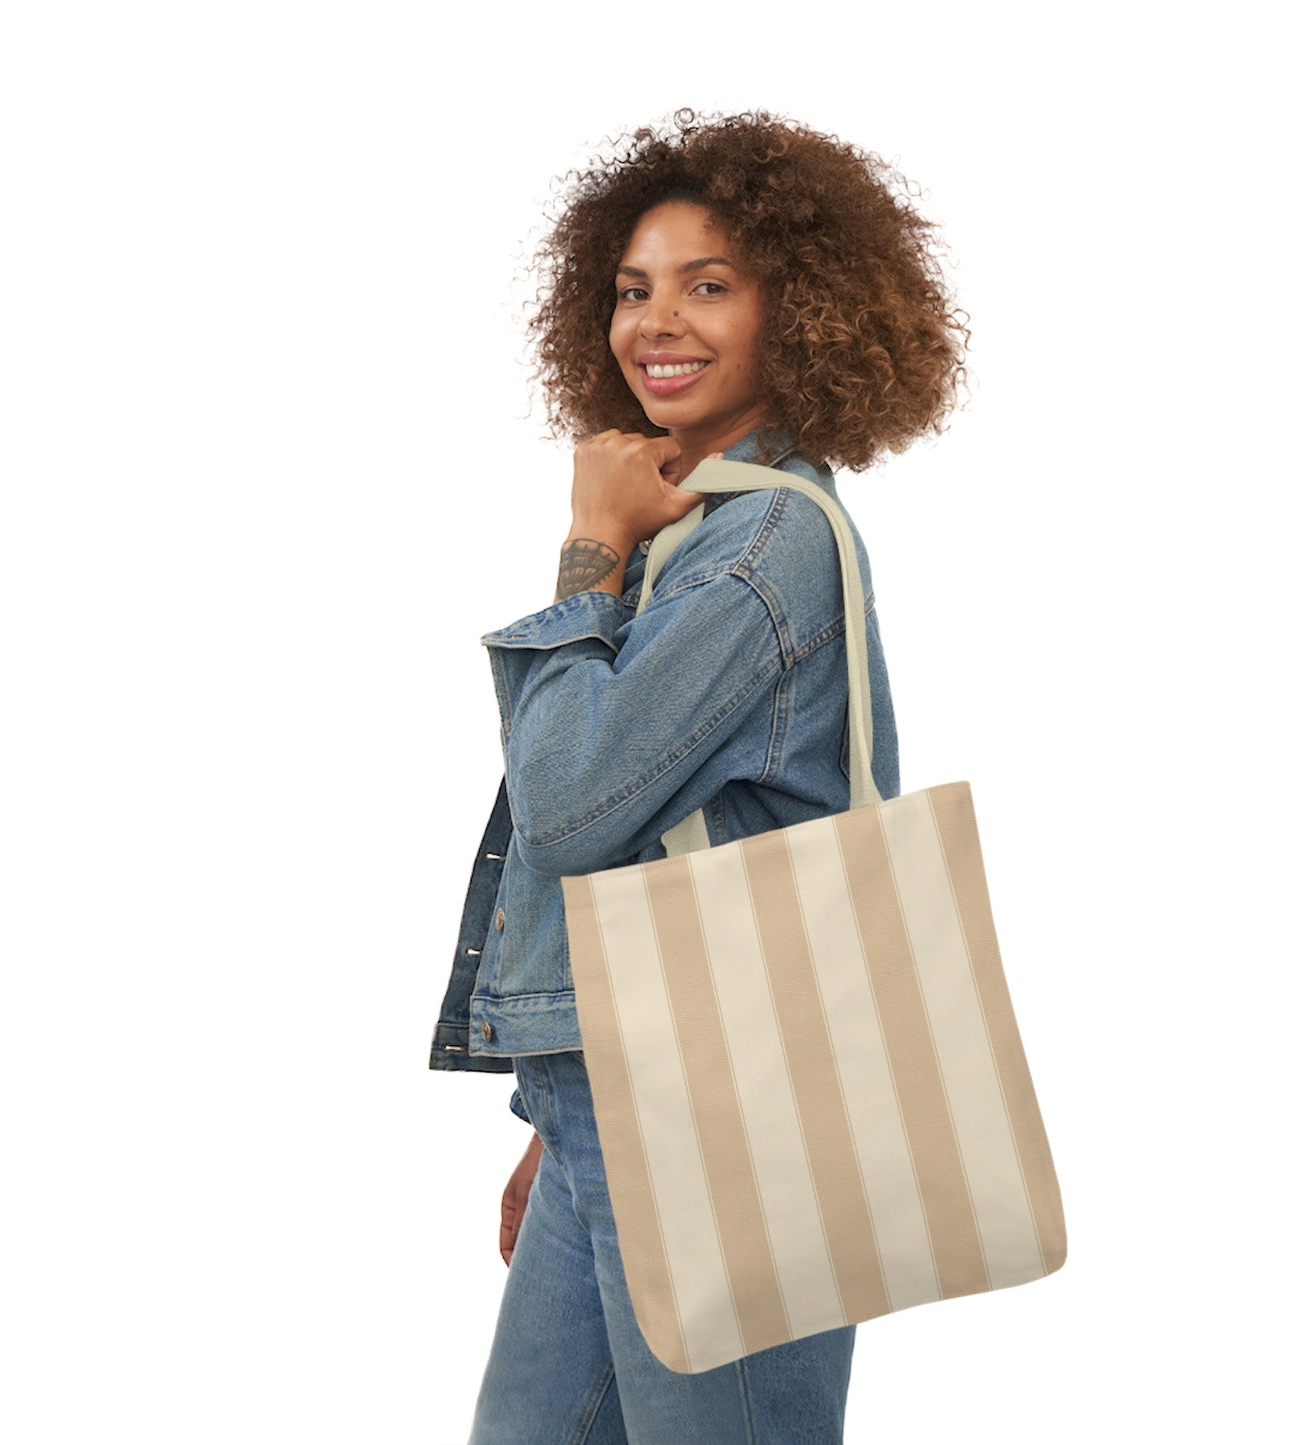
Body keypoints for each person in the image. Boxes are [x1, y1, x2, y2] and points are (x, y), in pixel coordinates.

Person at [429, 111, 968, 1443]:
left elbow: (569, 807)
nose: (651, 322)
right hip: (617, 1102)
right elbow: (647, 856)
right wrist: (560, 1108)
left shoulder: (760, 543)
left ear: (801, 310)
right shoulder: (708, 527)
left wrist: (587, 548)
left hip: (720, 1126)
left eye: (706, 284)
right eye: (629, 289)